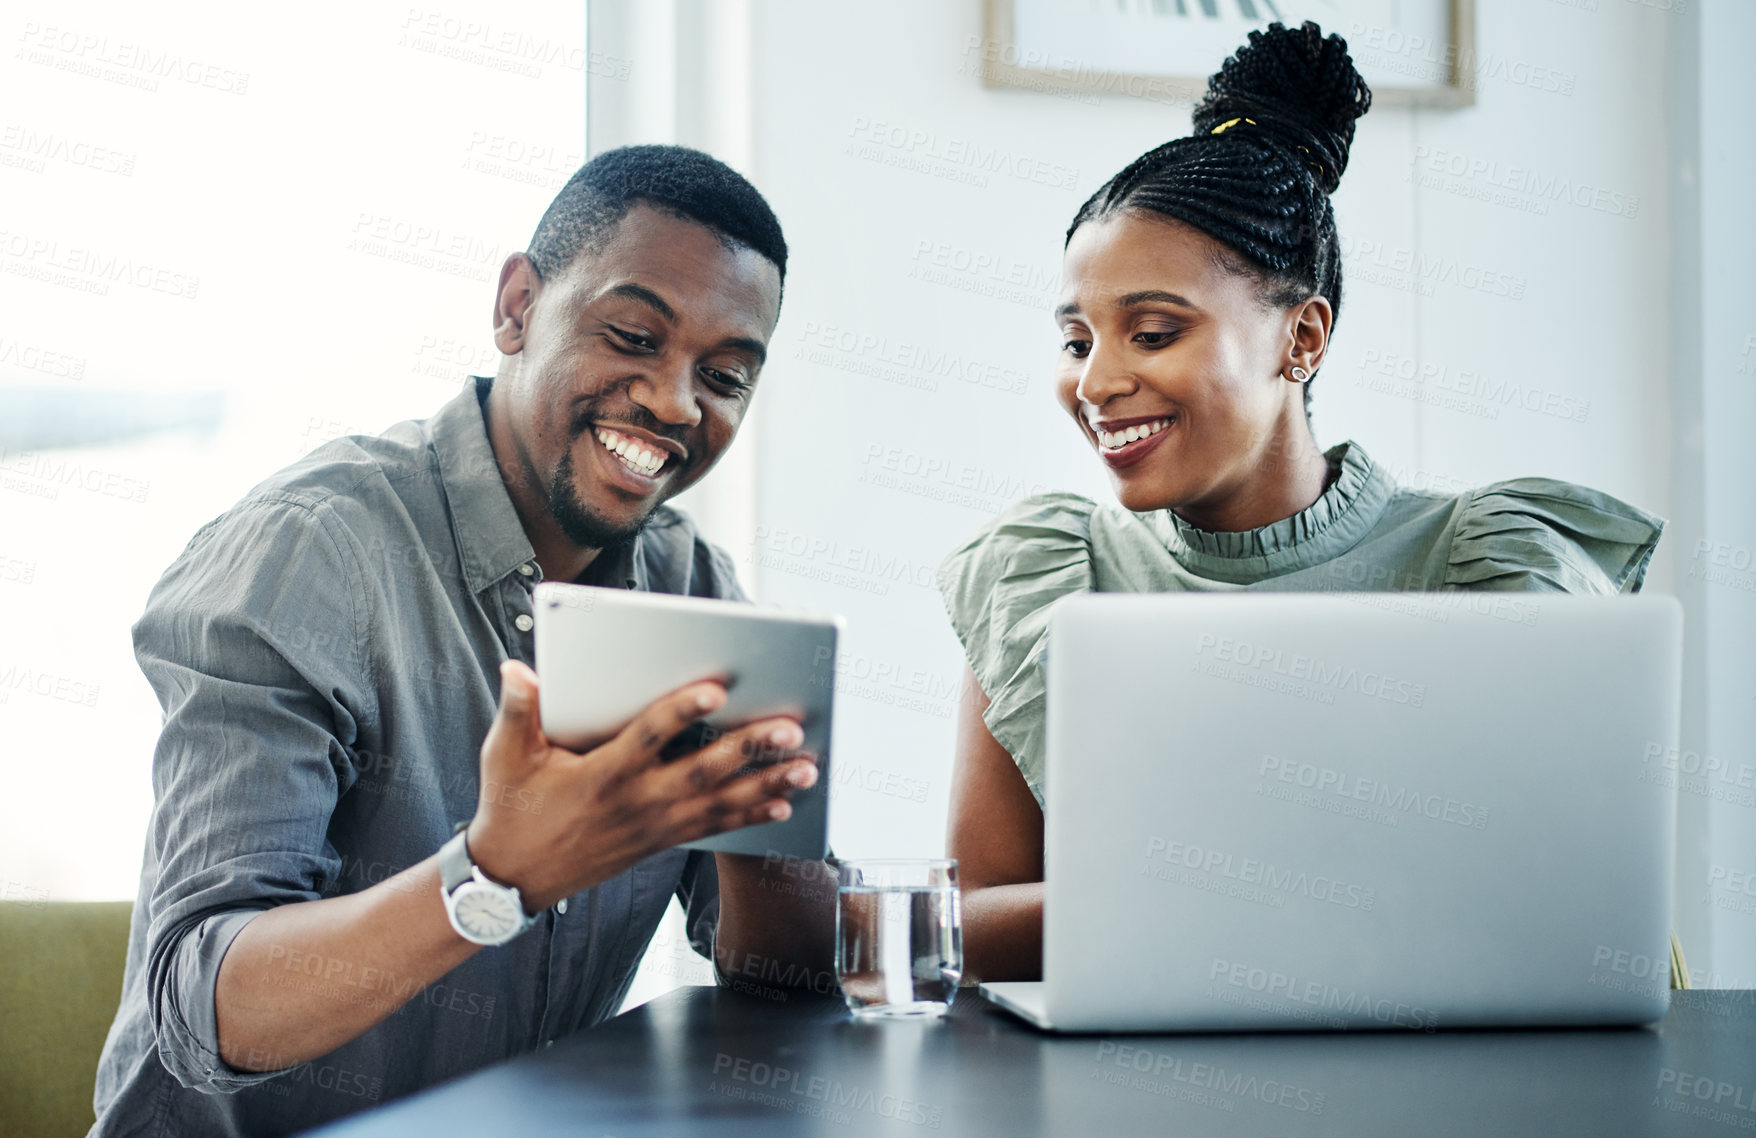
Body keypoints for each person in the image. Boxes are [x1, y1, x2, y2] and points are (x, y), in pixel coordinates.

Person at [91, 145, 836, 1137]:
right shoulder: (304, 557)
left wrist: (759, 814)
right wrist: (491, 875)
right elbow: (205, 1004)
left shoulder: (691, 586)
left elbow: (784, 975)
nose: (673, 402)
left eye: (726, 375)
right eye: (631, 335)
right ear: (517, 306)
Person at [936, 22, 1666, 984]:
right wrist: (1239, 892)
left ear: (1303, 338)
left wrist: (1190, 896)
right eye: (1077, 342)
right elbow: (969, 919)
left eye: (1152, 333)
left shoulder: (1489, 566)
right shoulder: (1043, 575)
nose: (1098, 380)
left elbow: (1581, 916)